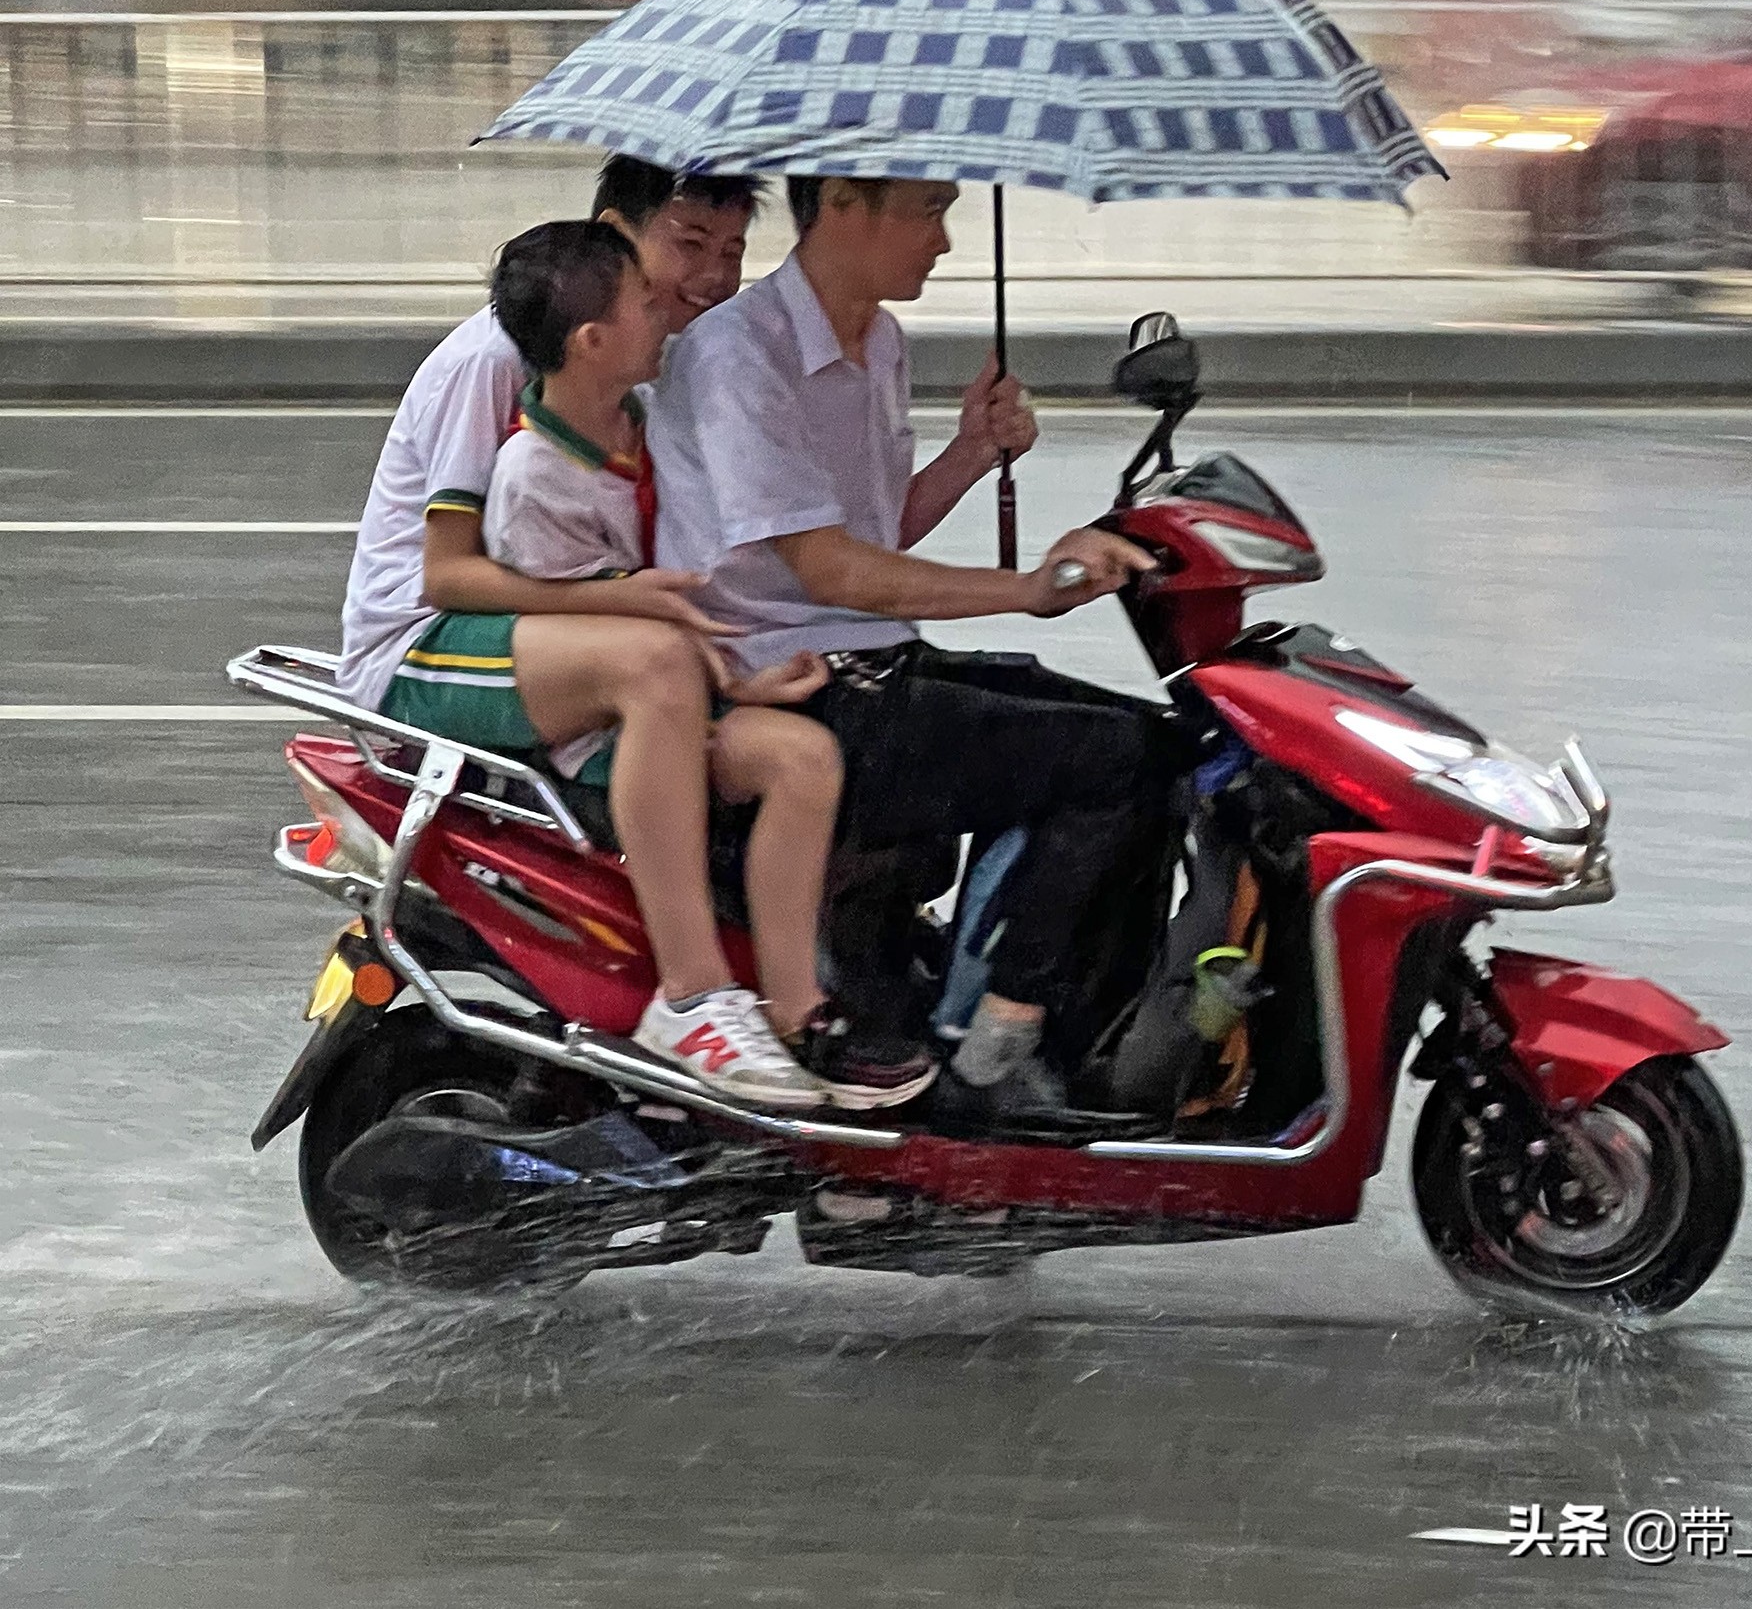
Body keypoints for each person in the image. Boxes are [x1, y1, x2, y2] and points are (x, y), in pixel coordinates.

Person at [648, 173, 1168, 1130]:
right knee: (1111, 762)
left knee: (1165, 742)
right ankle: (998, 1038)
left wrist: (971, 450)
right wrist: (1026, 592)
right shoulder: (739, 354)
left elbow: (874, 536)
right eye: (929, 213)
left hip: (877, 659)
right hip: (798, 685)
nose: (944, 242)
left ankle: (1047, 1019)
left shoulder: (879, 341)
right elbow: (829, 571)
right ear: (844, 202)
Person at [336, 158, 833, 1102]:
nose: (709, 280)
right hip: (426, 644)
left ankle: (800, 1009)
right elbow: (450, 572)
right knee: (647, 662)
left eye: (732, 253)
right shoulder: (500, 361)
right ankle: (693, 996)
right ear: (612, 240)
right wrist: (628, 603)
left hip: (545, 641)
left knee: (797, 751)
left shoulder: (642, 376)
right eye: (685, 249)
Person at [473, 220, 931, 1111]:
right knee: (806, 753)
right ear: (592, 342)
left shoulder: (633, 431)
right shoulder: (536, 476)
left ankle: (797, 1007)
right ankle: (729, 1002)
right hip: (612, 728)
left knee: (808, 757)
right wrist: (726, 679)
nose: (674, 309)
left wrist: (739, 681)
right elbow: (615, 640)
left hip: (684, 690)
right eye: (647, 302)